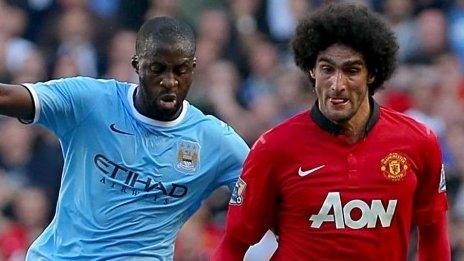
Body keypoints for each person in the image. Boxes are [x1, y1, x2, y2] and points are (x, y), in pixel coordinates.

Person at [213, 3, 450, 260]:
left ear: (372, 73)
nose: (337, 84)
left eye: (351, 70)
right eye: (327, 69)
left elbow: (433, 235)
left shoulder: (418, 142)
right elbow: (233, 245)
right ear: (312, 70)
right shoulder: (273, 147)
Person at [0, 16, 249, 260]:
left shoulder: (215, 141)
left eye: (180, 70)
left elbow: (272, 189)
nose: (170, 81)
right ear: (136, 64)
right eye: (157, 69)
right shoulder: (91, 101)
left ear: (193, 67)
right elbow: (8, 97)